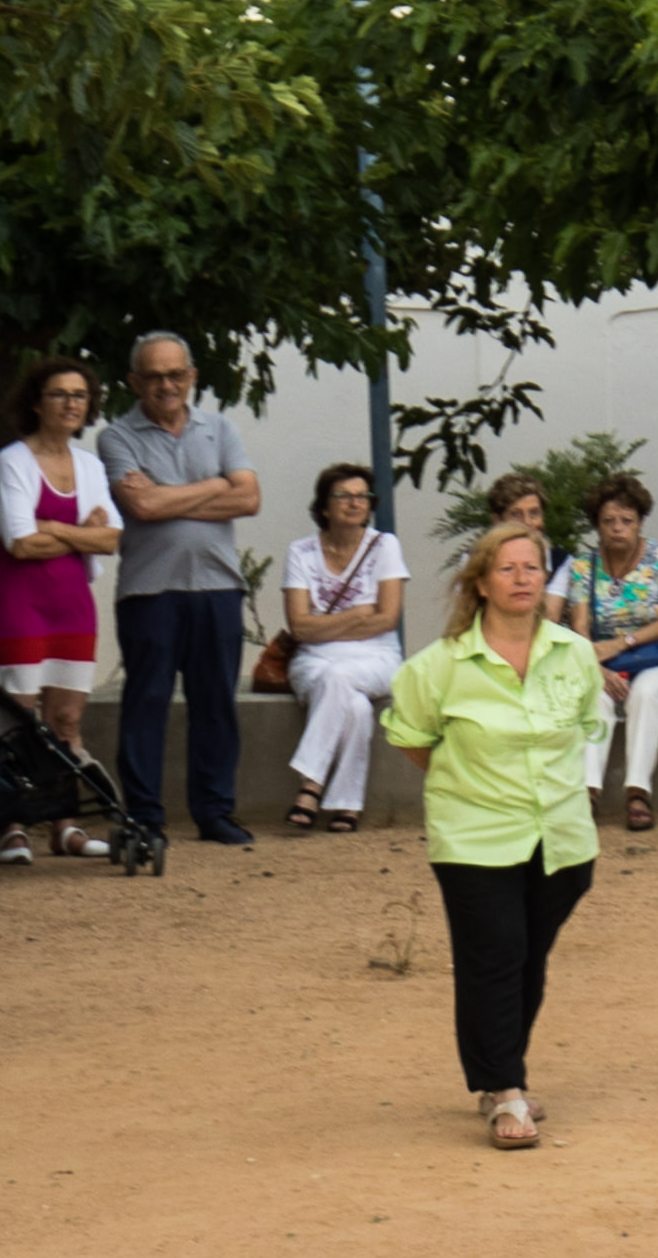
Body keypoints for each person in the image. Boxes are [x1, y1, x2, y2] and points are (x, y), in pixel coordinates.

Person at [382, 516, 610, 1151]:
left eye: (531, 567)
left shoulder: (574, 654)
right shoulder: (438, 666)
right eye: (506, 568)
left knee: (527, 959)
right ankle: (506, 1090)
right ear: (480, 583)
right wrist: (470, 781)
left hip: (562, 838)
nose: (521, 578)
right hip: (475, 837)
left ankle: (499, 1073)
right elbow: (412, 739)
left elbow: (586, 729)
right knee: (496, 956)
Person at [92, 331, 268, 852]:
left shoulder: (220, 428)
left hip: (219, 586)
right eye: (154, 376)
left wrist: (170, 496)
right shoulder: (116, 436)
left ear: (191, 376)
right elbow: (141, 508)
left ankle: (214, 811)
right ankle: (145, 817)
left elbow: (249, 498)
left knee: (216, 704)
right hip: (150, 591)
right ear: (134, 382)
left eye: (175, 374)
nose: (166, 385)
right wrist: (216, 485)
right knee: (146, 704)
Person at [0, 361, 123, 868]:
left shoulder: (90, 466)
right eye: (59, 394)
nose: (71, 403)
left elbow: (111, 539)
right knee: (16, 723)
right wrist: (81, 531)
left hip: (72, 605)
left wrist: (54, 526)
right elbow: (20, 543)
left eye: (79, 395)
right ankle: (13, 826)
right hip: (19, 602)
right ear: (36, 402)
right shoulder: (13, 460)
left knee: (66, 719)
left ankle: (64, 825)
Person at [266, 466, 407, 832]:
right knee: (356, 707)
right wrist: (358, 615)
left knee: (339, 676)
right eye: (344, 496)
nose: (355, 503)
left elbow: (387, 619)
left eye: (362, 496)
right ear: (324, 507)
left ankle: (310, 785)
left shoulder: (385, 546)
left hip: (377, 657)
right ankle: (346, 804)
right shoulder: (301, 552)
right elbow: (300, 626)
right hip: (314, 659)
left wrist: (325, 627)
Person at [550, 478, 658, 831]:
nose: (617, 528)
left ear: (640, 522)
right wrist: (597, 668)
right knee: (594, 694)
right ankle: (588, 793)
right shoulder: (584, 566)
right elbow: (580, 627)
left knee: (646, 693)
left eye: (627, 520)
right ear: (597, 525)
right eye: (609, 521)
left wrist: (621, 643)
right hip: (604, 659)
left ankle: (638, 793)